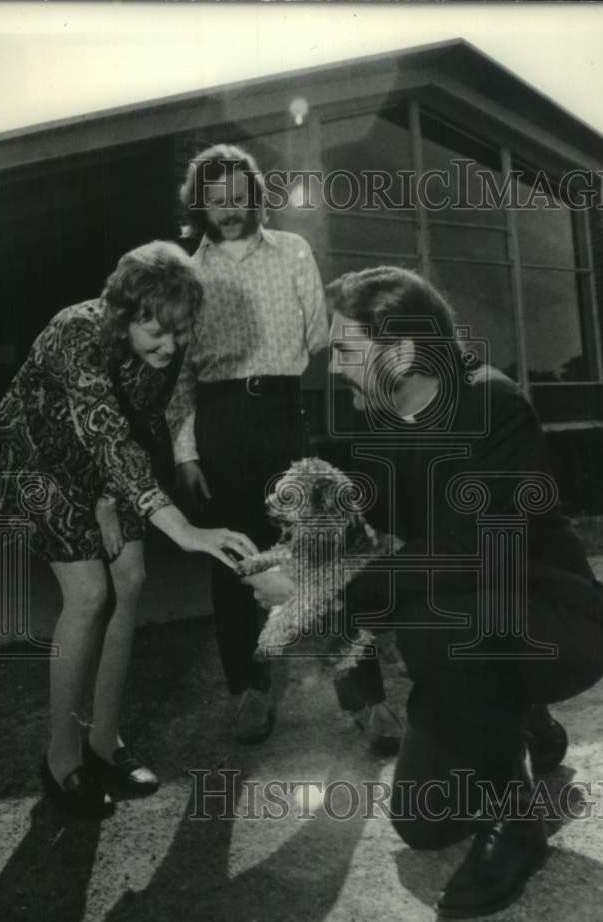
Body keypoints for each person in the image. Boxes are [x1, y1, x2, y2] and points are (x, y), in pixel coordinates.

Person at [245, 266, 603, 918]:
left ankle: (518, 820)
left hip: (552, 618)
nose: (334, 367)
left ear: (397, 350)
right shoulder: (384, 416)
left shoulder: (491, 404)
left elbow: (465, 556)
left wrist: (314, 587)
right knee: (422, 826)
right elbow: (375, 530)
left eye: (344, 350)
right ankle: (519, 716)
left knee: (435, 614)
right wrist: (301, 546)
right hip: (474, 618)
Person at [0, 241, 256, 818]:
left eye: (180, 333)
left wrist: (110, 500)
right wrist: (180, 526)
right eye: (158, 332)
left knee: (129, 578)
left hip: (101, 467)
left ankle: (104, 744)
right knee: (89, 594)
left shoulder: (165, 347)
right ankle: (61, 760)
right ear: (124, 313)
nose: (171, 346)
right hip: (35, 461)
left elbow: (138, 424)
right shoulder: (74, 333)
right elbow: (103, 430)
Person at [168, 143, 401, 748]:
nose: (229, 209)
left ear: (255, 195)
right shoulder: (187, 274)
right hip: (218, 421)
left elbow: (316, 339)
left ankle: (367, 702)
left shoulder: (293, 251)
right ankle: (249, 693)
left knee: (323, 554)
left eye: (238, 195)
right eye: (215, 200)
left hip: (283, 413)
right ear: (201, 205)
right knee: (235, 565)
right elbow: (181, 376)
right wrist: (186, 454)